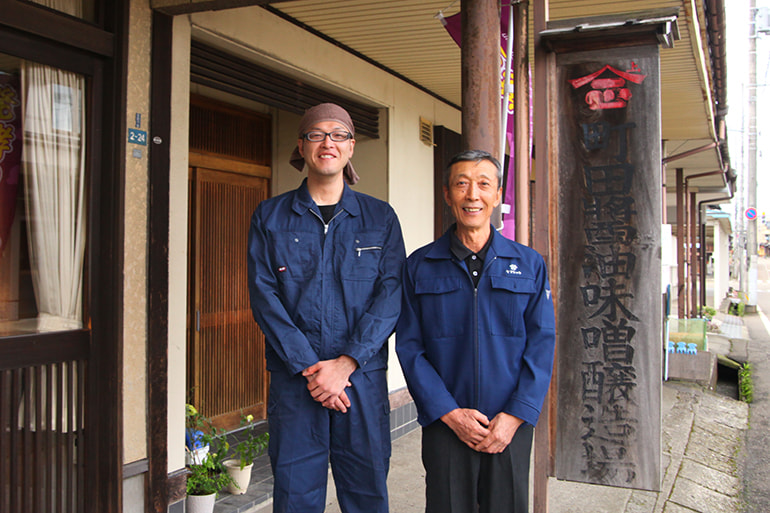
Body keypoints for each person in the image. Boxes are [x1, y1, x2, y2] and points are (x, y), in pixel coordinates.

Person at [247, 103, 405, 513]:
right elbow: (265, 298)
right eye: (316, 134)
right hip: (295, 381)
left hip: (361, 383)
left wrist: (345, 364)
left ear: (351, 147)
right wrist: (311, 369)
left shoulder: (379, 217)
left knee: (366, 493)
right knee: (294, 495)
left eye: (338, 134)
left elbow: (390, 297)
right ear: (302, 146)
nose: (327, 143)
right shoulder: (271, 215)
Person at [396, 149, 555, 513]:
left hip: (509, 424)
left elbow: (542, 343)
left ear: (497, 195)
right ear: (447, 194)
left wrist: (516, 414)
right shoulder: (419, 266)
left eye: (484, 185)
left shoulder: (529, 264)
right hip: (446, 424)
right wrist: (449, 413)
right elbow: (409, 347)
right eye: (462, 184)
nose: (473, 195)